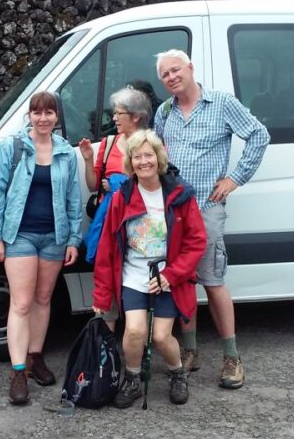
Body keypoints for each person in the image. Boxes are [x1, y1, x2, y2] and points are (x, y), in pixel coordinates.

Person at [154, 49, 270, 389]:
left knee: (212, 280)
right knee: (181, 281)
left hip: (206, 208)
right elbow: (157, 154)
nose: (171, 77)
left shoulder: (221, 103)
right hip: (173, 211)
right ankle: (189, 350)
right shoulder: (164, 111)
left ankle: (232, 357)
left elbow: (259, 135)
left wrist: (235, 178)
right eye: (165, 74)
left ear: (190, 68)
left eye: (176, 69)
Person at [92, 129, 206, 408]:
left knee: (161, 336)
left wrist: (170, 275)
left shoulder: (180, 194)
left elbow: (196, 242)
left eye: (149, 155)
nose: (144, 161)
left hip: (169, 276)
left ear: (159, 157)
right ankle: (132, 378)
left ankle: (177, 373)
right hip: (133, 274)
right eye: (137, 157)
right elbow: (107, 249)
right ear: (130, 162)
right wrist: (102, 295)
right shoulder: (122, 197)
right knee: (134, 331)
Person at [0, 91, 82, 405]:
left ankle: (36, 356)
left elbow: (73, 199)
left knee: (43, 299)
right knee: (22, 302)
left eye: (49, 113)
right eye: (37, 112)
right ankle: (18, 371)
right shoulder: (12, 147)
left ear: (56, 117)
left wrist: (73, 239)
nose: (43, 118)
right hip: (19, 235)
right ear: (30, 115)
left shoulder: (65, 152)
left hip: (54, 235)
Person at [78, 86, 152, 331]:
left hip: (139, 225)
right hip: (109, 224)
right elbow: (93, 186)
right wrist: (88, 159)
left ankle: (136, 340)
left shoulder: (151, 144)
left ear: (136, 116)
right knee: (106, 280)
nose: (114, 118)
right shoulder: (109, 143)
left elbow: (155, 184)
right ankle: (107, 346)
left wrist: (120, 185)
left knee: (137, 281)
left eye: (119, 113)